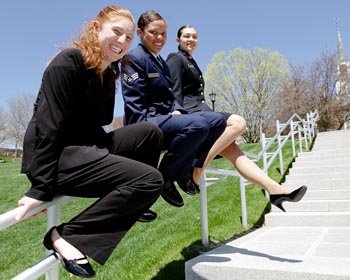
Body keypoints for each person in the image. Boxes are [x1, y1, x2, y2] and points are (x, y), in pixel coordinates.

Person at [15, 6, 164, 278]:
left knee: (150, 133)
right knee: (150, 180)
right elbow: (49, 126)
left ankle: (131, 204)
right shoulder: (68, 62)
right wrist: (40, 189)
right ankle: (66, 236)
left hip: (85, 146)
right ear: (96, 28)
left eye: (128, 37)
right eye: (116, 32)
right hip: (57, 157)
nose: (122, 42)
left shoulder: (107, 74)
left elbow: (98, 124)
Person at [166, 25, 307, 212]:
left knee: (234, 150)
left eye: (194, 36)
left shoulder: (191, 61)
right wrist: (177, 114)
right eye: (186, 36)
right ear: (178, 40)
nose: (191, 39)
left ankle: (275, 190)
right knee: (238, 123)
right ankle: (196, 169)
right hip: (193, 114)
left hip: (203, 111)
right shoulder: (175, 58)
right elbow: (173, 90)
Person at [121, 11, 226, 210]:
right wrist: (169, 117)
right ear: (140, 33)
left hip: (166, 119)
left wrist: (177, 111)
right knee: (199, 125)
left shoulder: (159, 61)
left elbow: (172, 97)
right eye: (154, 32)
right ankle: (166, 176)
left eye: (163, 33)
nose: (159, 38)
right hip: (145, 123)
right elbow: (135, 107)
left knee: (218, 121)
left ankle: (185, 168)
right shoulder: (133, 59)